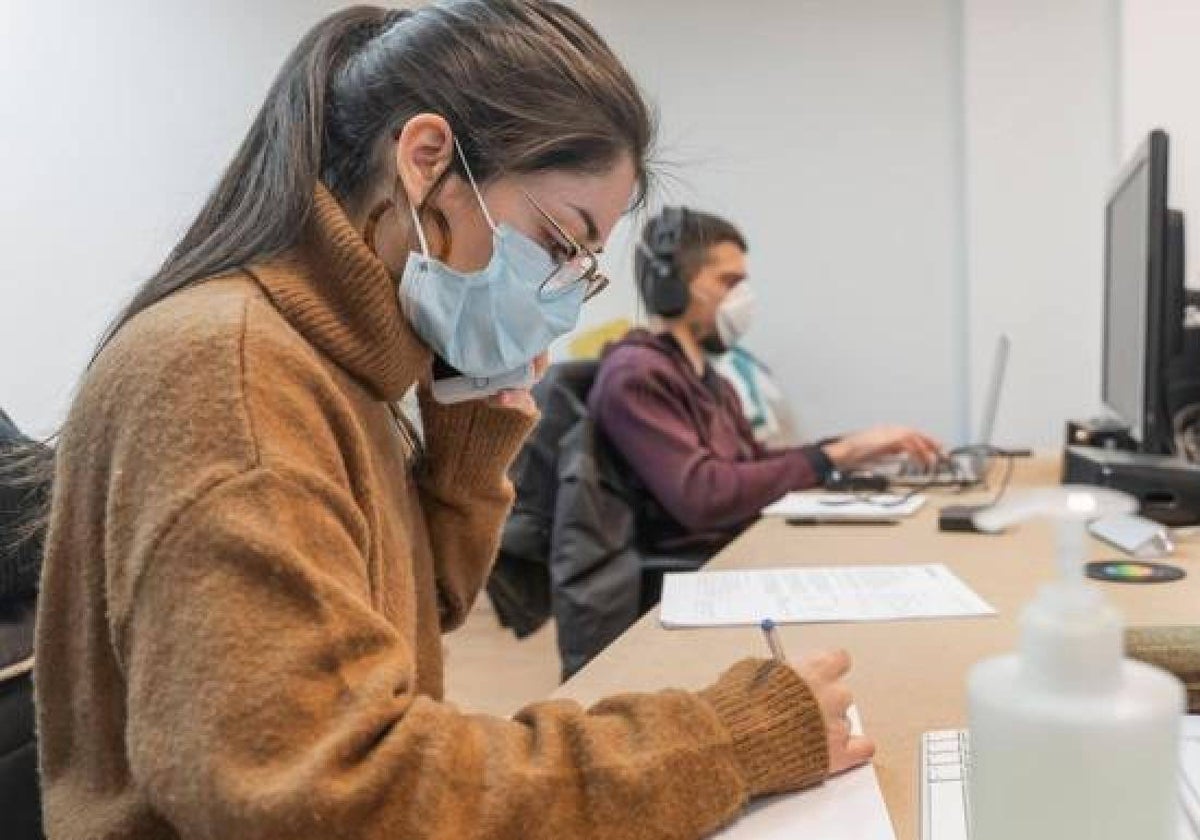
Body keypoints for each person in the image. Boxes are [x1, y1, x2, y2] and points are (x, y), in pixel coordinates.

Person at [18, 5, 872, 839]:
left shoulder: (340, 364)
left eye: (586, 269)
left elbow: (391, 631)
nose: (563, 296)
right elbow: (330, 789)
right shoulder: (231, 372)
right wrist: (723, 739)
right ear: (428, 161)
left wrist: (464, 448)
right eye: (561, 243)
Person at [590, 208, 943, 556]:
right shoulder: (636, 375)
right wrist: (840, 454)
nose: (743, 298)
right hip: (700, 568)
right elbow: (703, 496)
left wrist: (855, 447)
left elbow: (751, 464)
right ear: (671, 284)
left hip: (741, 544)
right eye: (728, 282)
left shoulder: (704, 374)